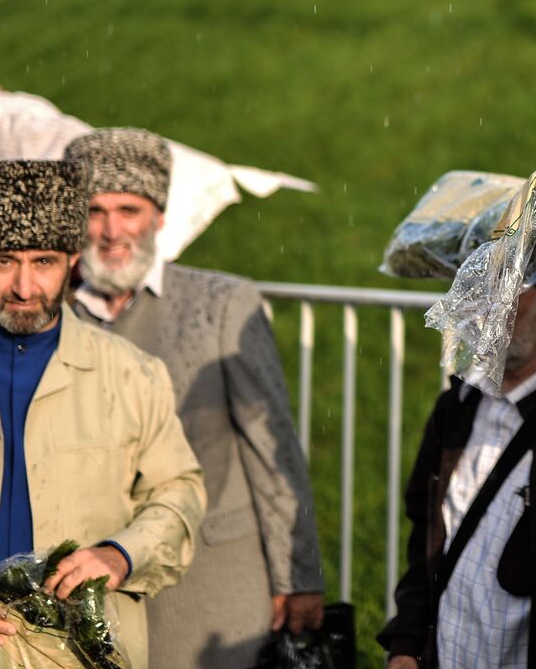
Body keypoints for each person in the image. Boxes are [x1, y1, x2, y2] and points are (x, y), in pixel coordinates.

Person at [62, 128, 324, 667]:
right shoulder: (52, 318)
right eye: (95, 210)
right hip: (96, 591)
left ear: (158, 216)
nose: (112, 231)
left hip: (217, 586)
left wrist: (299, 576)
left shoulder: (222, 304)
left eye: (129, 209)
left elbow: (272, 451)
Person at [0, 159, 205, 668]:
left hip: (83, 654)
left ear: (73, 258)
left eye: (43, 262)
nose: (22, 286)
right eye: (3, 261)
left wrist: (119, 555)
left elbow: (179, 494)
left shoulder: (133, 375)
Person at [377, 262, 536, 669]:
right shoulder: (459, 403)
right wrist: (407, 644)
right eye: (479, 285)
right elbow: (427, 533)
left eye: (508, 288)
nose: (487, 305)